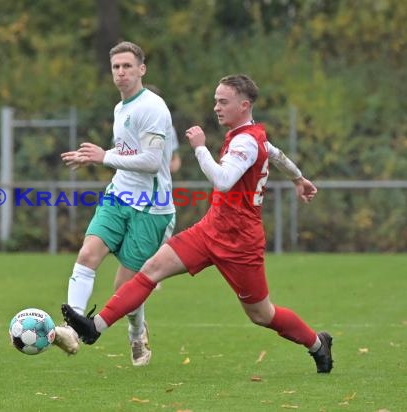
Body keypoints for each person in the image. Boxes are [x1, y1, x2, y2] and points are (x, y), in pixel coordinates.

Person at [61, 74, 334, 374]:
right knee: (150, 269)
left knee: (261, 314)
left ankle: (317, 344)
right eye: (216, 100)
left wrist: (200, 147)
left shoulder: (245, 141)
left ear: (244, 105)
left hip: (240, 242)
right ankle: (94, 327)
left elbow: (224, 180)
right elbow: (276, 153)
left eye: (223, 101)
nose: (216, 107)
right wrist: (298, 178)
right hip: (209, 230)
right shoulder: (252, 136)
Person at [53, 41, 177, 366]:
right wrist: (93, 158)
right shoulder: (120, 108)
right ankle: (71, 329)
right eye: (115, 67)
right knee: (87, 254)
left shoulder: (152, 107)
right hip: (118, 195)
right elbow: (126, 153)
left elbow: (152, 161)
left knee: (125, 287)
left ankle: (137, 333)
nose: (120, 72)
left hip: (150, 208)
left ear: (141, 69)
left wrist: (104, 156)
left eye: (127, 66)